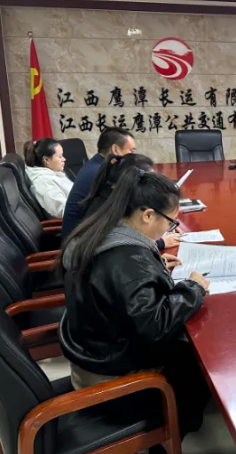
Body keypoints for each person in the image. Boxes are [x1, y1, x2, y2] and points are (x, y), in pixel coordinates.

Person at [58, 166, 211, 440]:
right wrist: (194, 288)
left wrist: (154, 265)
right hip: (114, 382)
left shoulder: (102, 231)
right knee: (200, 360)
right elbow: (155, 325)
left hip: (94, 357)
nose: (170, 229)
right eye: (170, 222)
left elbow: (115, 283)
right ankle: (172, 433)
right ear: (147, 215)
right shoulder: (127, 260)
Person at [81, 153, 182, 250]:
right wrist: (159, 242)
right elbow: (119, 242)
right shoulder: (111, 207)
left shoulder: (112, 196)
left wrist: (163, 223)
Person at [61, 127, 136, 240]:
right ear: (115, 149)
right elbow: (123, 213)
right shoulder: (102, 174)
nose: (134, 156)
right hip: (82, 243)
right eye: (131, 151)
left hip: (86, 236)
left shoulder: (95, 165)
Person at [23, 138, 73, 218]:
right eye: (60, 156)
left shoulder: (51, 174)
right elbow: (66, 211)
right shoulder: (44, 183)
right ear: (46, 160)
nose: (64, 159)